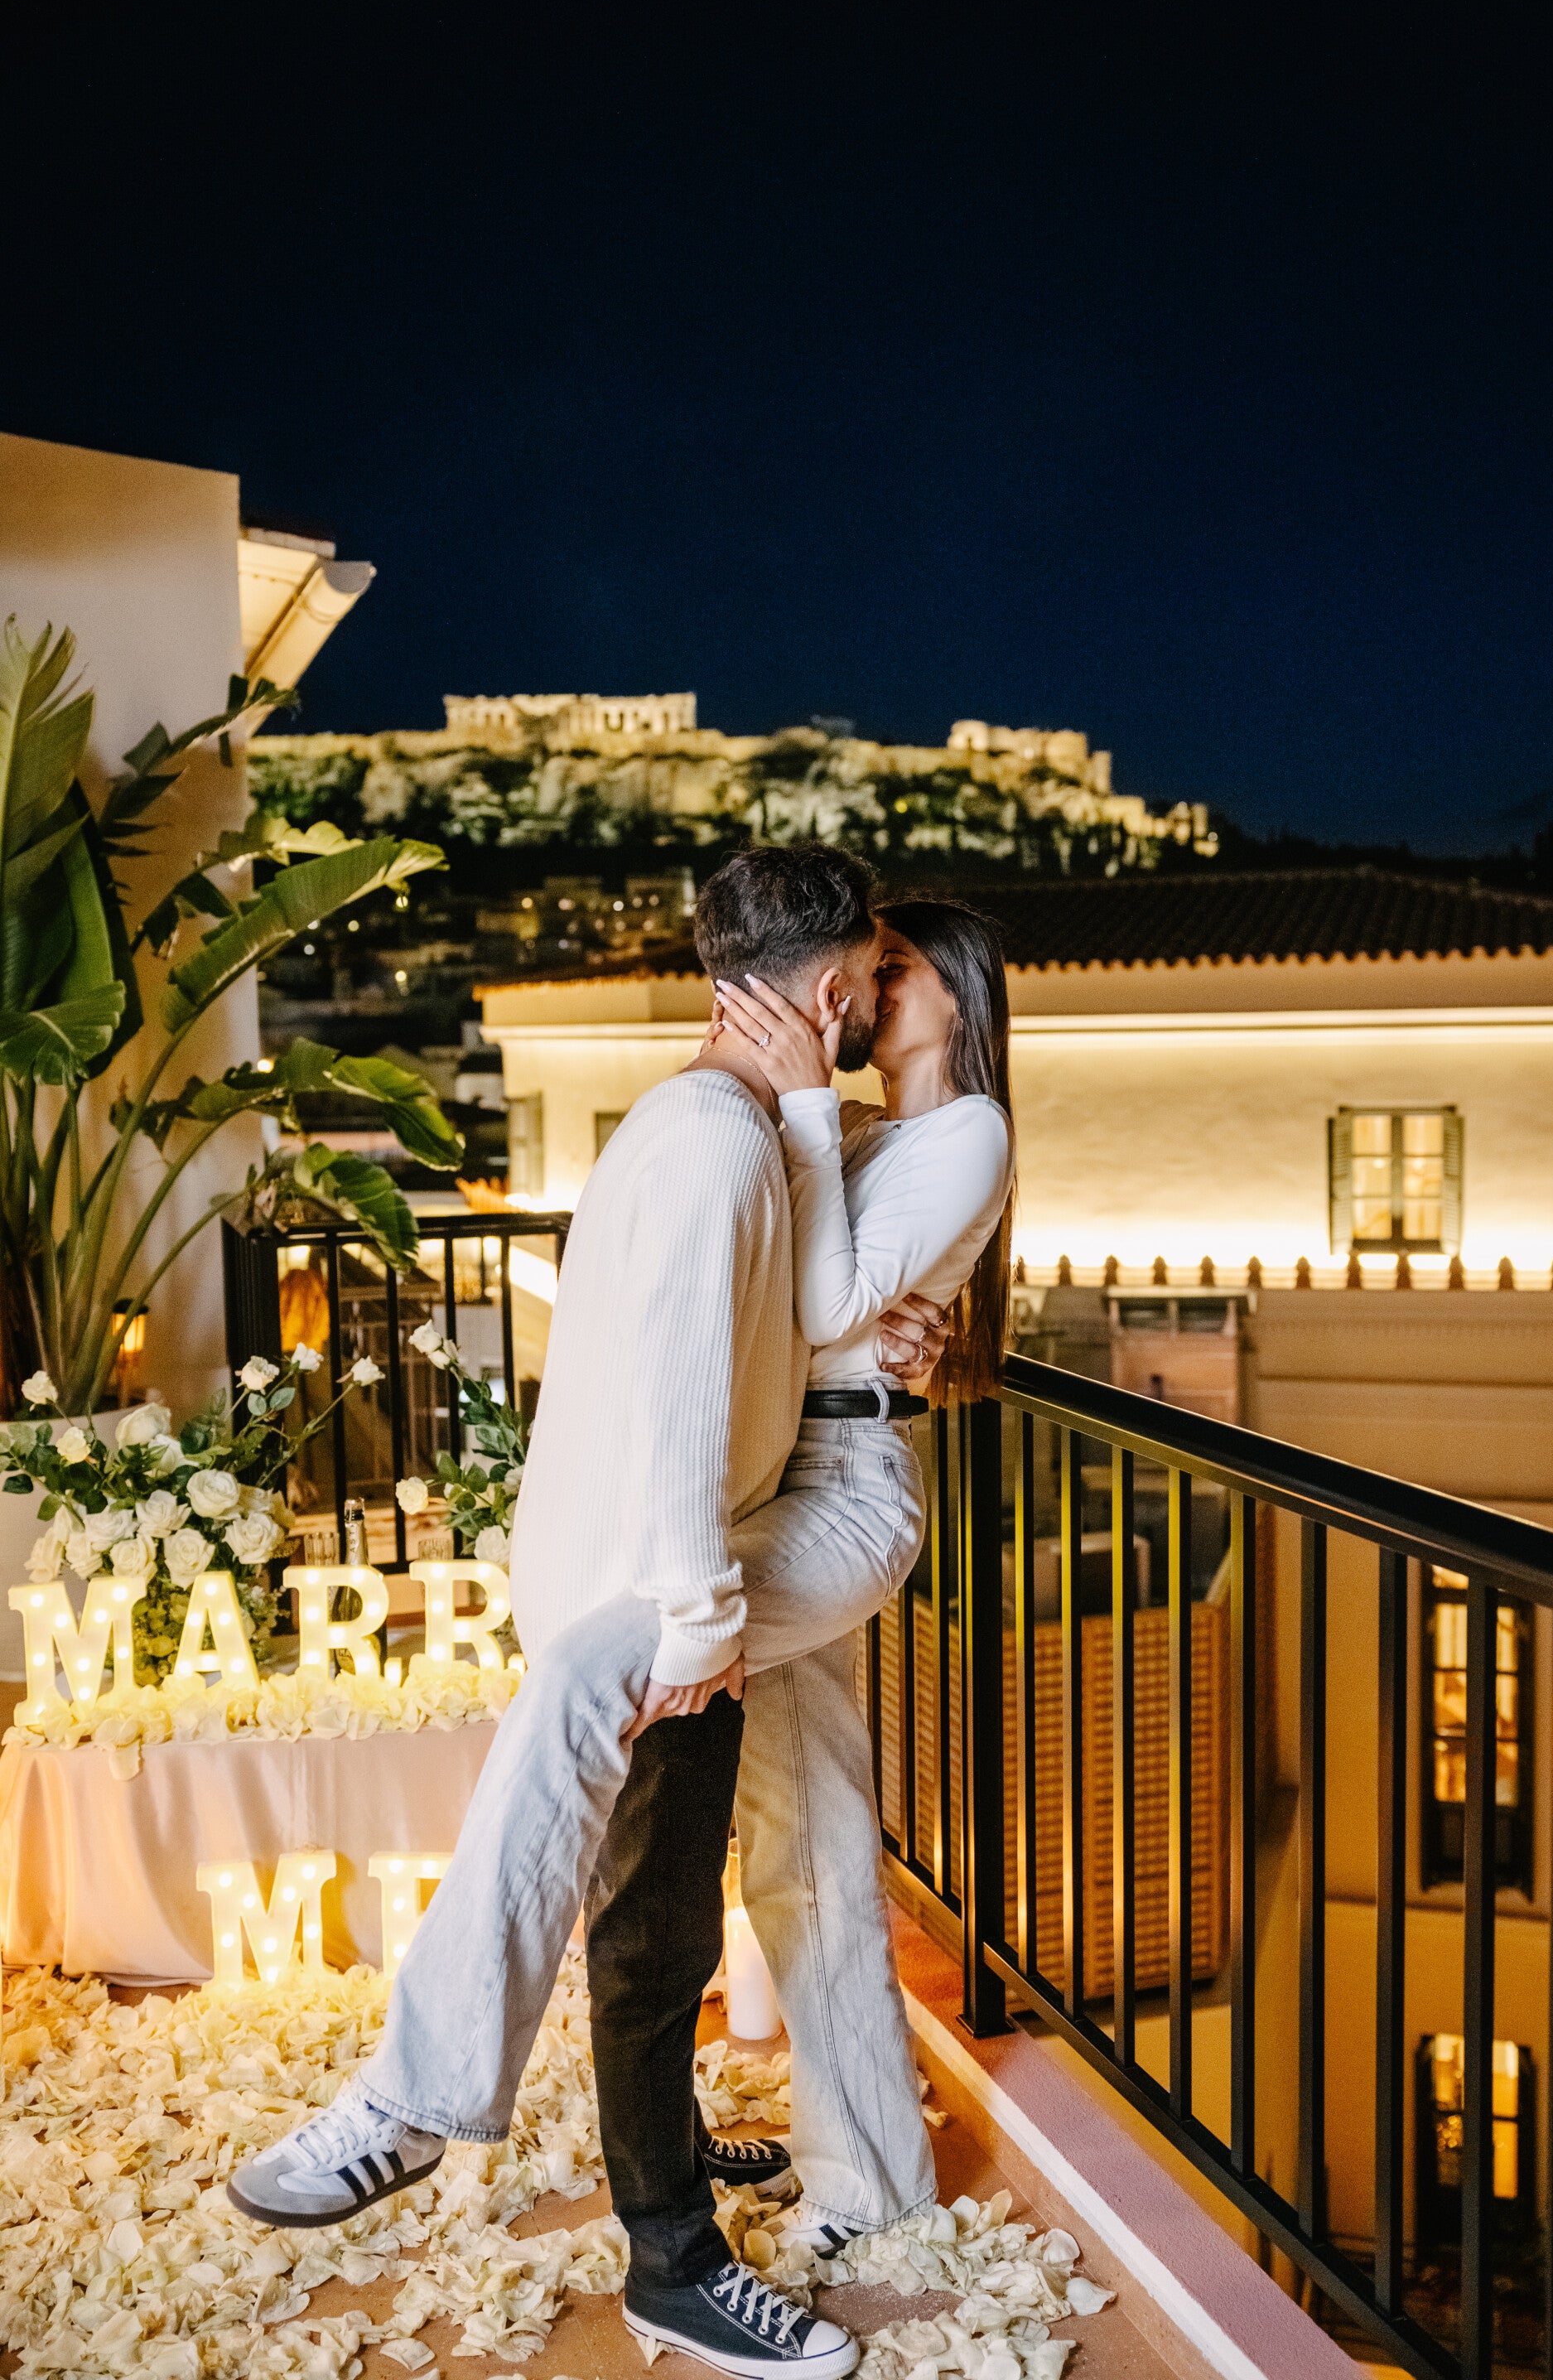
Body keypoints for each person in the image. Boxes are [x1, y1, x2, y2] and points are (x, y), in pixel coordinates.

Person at [228, 855, 1015, 2380]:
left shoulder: (928, 1125)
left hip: (838, 1491)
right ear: (829, 990)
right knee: (815, 1842)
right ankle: (874, 2183)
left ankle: (416, 2094)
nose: (879, 985)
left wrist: (881, 1299)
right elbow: (809, 1292)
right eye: (870, 966)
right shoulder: (803, 1128)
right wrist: (881, 1287)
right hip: (780, 1480)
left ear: (948, 998)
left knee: (603, 1682)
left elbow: (817, 1302)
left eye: (903, 966)